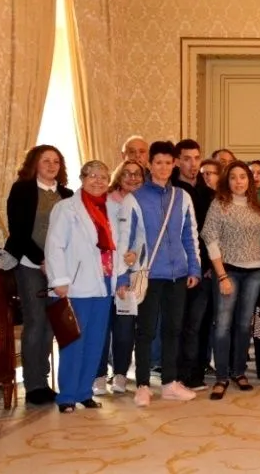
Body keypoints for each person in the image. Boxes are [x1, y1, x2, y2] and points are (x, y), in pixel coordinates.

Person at [45, 161, 139, 413]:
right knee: (73, 342)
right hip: (75, 286)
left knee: (96, 343)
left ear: (109, 180)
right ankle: (67, 396)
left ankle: (84, 392)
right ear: (82, 178)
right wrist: (59, 281)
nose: (98, 181)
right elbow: (54, 246)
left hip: (104, 284)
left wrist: (125, 267)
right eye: (92, 176)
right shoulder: (66, 208)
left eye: (103, 177)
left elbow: (120, 244)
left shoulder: (113, 208)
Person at [130, 141, 202, 407]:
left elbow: (190, 235)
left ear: (174, 165)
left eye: (168, 163)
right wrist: (126, 275)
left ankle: (170, 382)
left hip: (178, 274)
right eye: (158, 162)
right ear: (149, 165)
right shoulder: (135, 198)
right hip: (148, 274)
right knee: (146, 331)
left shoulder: (182, 197)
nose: (163, 167)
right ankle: (142, 385)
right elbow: (129, 240)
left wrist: (193, 267)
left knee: (173, 329)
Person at [4, 145, 74, 405]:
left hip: (60, 270)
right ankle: (34, 385)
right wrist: (43, 260)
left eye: (56, 161)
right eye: (46, 161)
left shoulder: (67, 194)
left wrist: (59, 264)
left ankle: (44, 381)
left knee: (53, 323)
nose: (52, 165)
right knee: (36, 321)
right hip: (30, 265)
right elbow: (19, 232)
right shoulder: (21, 190)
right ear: (34, 163)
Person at [201, 161, 260, 400]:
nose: (239, 181)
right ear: (226, 181)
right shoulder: (220, 204)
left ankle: (239, 372)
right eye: (233, 177)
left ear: (249, 180)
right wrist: (221, 275)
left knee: (243, 325)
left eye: (243, 177)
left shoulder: (258, 206)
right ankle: (221, 377)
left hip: (255, 272)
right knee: (223, 325)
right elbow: (209, 237)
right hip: (228, 271)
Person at [94, 160, 146, 396]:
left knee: (125, 327)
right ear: (118, 176)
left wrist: (134, 253)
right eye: (127, 173)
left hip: (131, 273)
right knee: (101, 327)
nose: (132, 178)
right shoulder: (103, 201)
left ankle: (121, 373)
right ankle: (98, 375)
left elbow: (144, 237)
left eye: (137, 174)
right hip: (102, 274)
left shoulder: (143, 203)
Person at [171, 139, 216, 392]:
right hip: (177, 269)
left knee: (199, 323)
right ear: (177, 161)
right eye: (187, 158)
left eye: (196, 158)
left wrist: (207, 264)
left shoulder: (207, 193)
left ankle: (195, 372)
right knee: (179, 324)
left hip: (204, 269)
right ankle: (179, 373)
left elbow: (211, 233)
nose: (192, 163)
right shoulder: (171, 191)